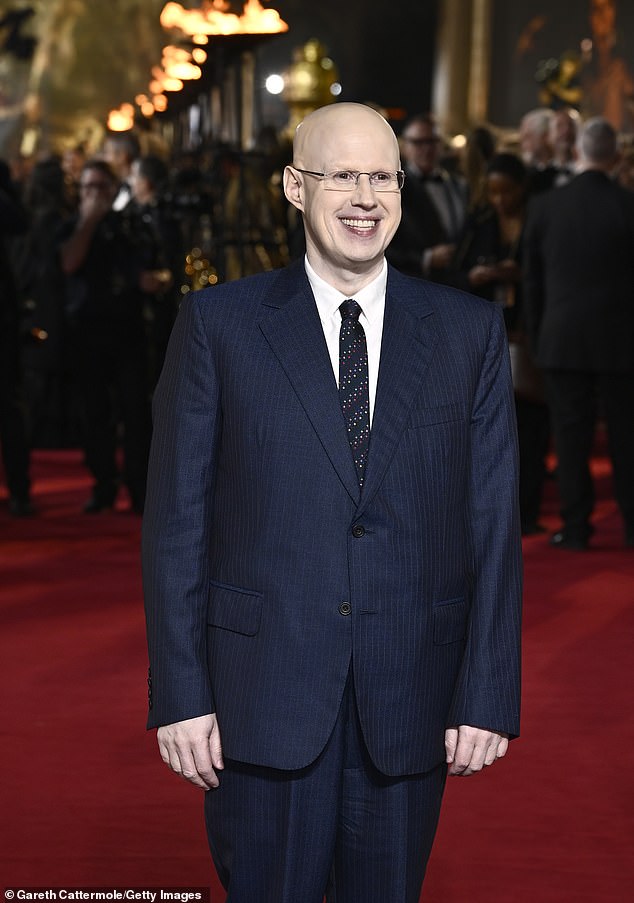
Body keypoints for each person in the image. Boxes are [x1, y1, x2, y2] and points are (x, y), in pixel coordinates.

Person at [143, 102, 522, 903]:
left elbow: (493, 525)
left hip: (411, 700)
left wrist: (486, 692)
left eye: (382, 176)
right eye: (342, 174)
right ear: (294, 186)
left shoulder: (468, 331)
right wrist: (181, 694)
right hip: (260, 698)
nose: (365, 196)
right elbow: (177, 523)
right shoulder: (219, 325)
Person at [524, 117, 634, 550]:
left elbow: (532, 282)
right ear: (618, 156)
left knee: (570, 438)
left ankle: (574, 526)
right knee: (627, 436)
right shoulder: (629, 206)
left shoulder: (546, 207)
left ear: (577, 154)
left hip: (562, 338)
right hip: (623, 342)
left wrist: (537, 336)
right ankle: (631, 525)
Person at [452, 153, 549, 535]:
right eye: (492, 192)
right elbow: (451, 274)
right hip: (487, 337)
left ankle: (529, 512)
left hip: (530, 334)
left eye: (506, 192)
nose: (499, 200)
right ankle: (492, 512)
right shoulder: (479, 222)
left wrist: (522, 277)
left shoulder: (539, 220)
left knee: (534, 426)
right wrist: (475, 276)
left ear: (521, 189)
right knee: (490, 432)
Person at [59, 159, 151, 514]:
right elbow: (68, 263)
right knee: (94, 412)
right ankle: (103, 485)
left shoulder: (128, 227)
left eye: (100, 187)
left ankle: (139, 488)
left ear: (113, 190)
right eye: (87, 188)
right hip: (86, 331)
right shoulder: (72, 227)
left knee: (135, 412)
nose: (94, 194)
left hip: (127, 330)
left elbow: (143, 267)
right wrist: (88, 221)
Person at [386, 112, 468, 281]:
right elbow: (385, 247)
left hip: (457, 285)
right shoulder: (393, 188)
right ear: (404, 146)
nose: (426, 149)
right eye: (418, 142)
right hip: (413, 282)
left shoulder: (459, 185)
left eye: (432, 141)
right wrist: (426, 258)